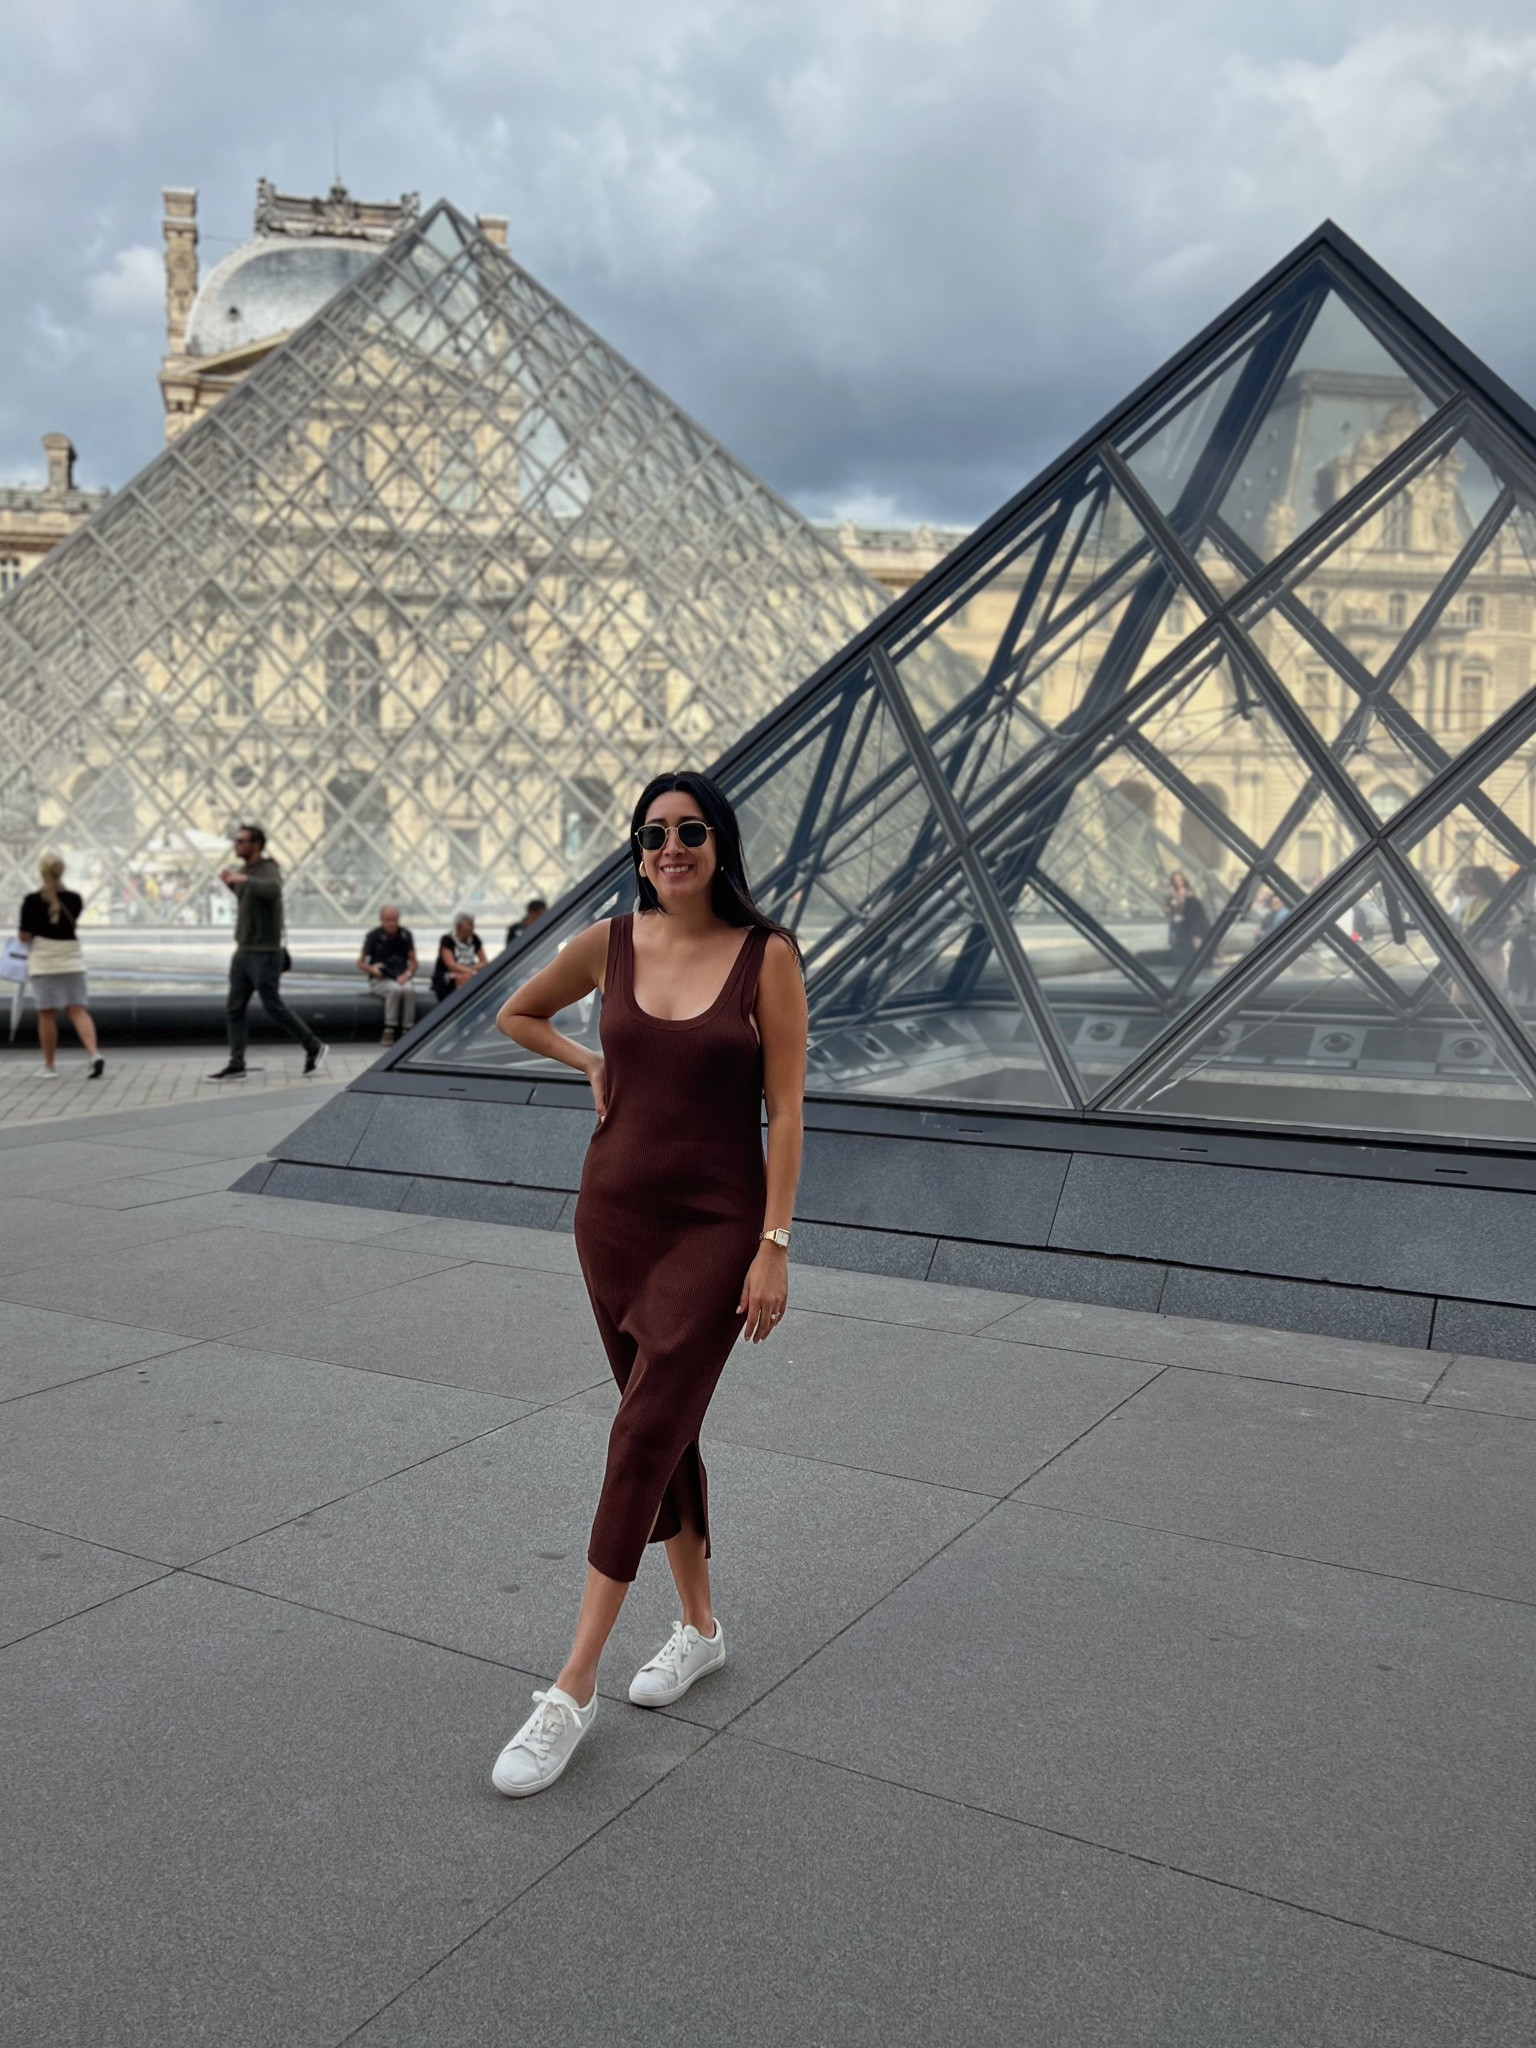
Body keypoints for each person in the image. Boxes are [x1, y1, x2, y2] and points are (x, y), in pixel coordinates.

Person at [487, 770, 806, 1797]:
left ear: (721, 843)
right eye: (654, 832)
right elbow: (515, 1013)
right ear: (637, 849)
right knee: (662, 1424)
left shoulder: (767, 955)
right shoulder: (609, 944)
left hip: (716, 1228)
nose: (672, 846)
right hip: (612, 1219)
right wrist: (586, 1058)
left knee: (638, 1430)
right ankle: (701, 1627)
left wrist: (775, 1242)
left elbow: (788, 1112)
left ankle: (570, 1687)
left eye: (691, 829)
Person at [207, 824, 328, 1081]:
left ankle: (314, 1045)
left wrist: (244, 879)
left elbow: (272, 890)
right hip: (243, 951)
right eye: (236, 840)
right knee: (234, 1008)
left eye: (241, 841)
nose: (236, 845)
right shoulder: (245, 871)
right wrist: (231, 882)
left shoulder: (268, 868)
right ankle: (236, 1063)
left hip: (264, 953)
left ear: (257, 845)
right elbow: (245, 897)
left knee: (272, 1005)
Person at [17, 853, 103, 1080]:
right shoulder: (75, 899)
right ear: (62, 871)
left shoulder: (32, 901)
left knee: (47, 1014)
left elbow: (24, 936)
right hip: (71, 959)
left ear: (41, 872)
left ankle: (49, 1065)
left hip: (44, 961)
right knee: (77, 1009)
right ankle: (94, 1054)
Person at [357, 904, 417, 1046]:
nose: (392, 923)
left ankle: (407, 1028)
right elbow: (360, 963)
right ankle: (389, 1028)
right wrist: (372, 970)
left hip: (401, 976)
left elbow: (414, 962)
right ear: (381, 920)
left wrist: (407, 975)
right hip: (380, 979)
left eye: (394, 920)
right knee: (394, 989)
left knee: (408, 989)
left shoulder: (405, 935)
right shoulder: (372, 936)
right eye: (388, 920)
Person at [432, 914, 487, 1001]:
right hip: (449, 975)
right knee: (465, 978)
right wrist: (471, 971)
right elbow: (451, 964)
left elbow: (484, 961)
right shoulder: (447, 939)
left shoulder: (475, 939)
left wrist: (472, 968)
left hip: (469, 970)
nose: (473, 928)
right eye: (470, 925)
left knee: (473, 978)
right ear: (459, 926)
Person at [1165, 870, 1209, 967]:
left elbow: (1194, 909)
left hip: (1187, 921)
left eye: (1179, 879)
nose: (1178, 882)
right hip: (1176, 921)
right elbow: (1168, 909)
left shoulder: (1189, 893)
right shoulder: (1171, 893)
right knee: (1176, 939)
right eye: (1175, 880)